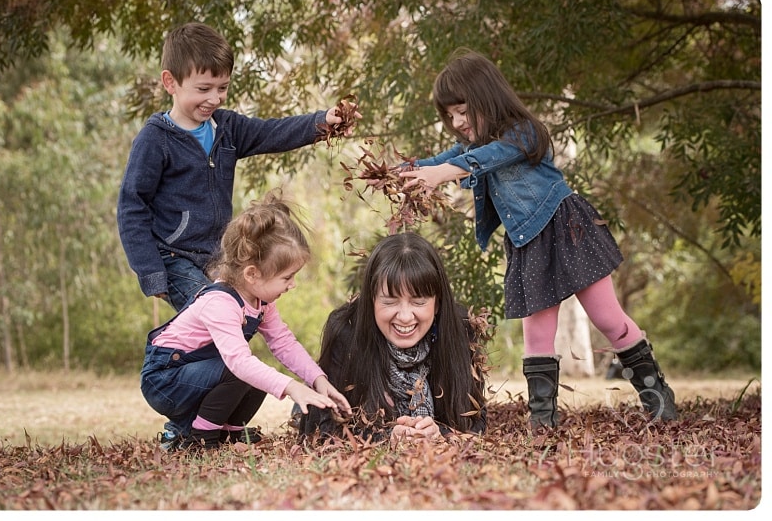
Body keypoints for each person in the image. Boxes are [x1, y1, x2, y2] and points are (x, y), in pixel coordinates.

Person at [400, 48, 677, 430]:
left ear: (487, 96)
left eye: (464, 110)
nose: (458, 121)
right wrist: (397, 173)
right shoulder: (469, 148)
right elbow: (435, 162)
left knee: (609, 319)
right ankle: (542, 423)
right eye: (450, 116)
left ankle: (659, 401)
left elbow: (486, 159)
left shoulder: (524, 132)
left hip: (567, 230)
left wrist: (443, 173)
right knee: (537, 332)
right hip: (528, 242)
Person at [117, 21, 359, 312]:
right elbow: (132, 207)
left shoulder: (227, 127)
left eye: (222, 88)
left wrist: (322, 123)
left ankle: (203, 357)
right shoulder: (156, 140)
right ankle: (164, 357)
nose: (214, 98)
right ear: (170, 82)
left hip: (218, 256)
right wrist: (151, 273)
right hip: (174, 257)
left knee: (249, 313)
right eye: (204, 88)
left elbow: (273, 132)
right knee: (216, 314)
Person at [140, 190, 351, 451]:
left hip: (197, 373)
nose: (292, 285)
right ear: (252, 274)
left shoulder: (261, 302)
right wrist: (291, 388)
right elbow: (238, 363)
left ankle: (231, 432)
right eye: (287, 277)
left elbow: (284, 343)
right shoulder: (220, 303)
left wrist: (319, 380)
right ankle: (199, 438)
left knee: (257, 373)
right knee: (243, 370)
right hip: (166, 380)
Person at [299, 232, 488, 443]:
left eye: (418, 302)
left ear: (438, 303)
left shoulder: (460, 330)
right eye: (389, 301)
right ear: (372, 300)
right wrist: (386, 437)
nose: (405, 317)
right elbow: (323, 429)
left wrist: (440, 435)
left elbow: (477, 422)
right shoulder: (346, 330)